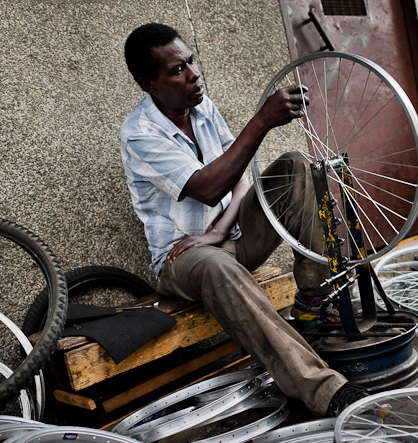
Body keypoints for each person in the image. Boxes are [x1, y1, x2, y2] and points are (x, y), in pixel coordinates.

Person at [120, 23, 367, 417]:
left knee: (294, 167)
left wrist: (218, 230)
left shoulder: (203, 108)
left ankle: (315, 300)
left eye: (191, 61)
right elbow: (209, 186)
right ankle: (323, 390)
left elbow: (239, 178)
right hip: (183, 259)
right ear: (147, 83)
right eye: (177, 70)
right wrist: (261, 121)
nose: (193, 74)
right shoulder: (140, 134)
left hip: (229, 236)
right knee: (217, 265)